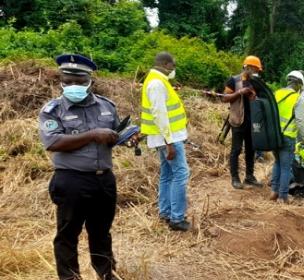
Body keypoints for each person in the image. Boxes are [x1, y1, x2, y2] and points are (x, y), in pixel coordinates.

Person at [39, 54, 136, 280]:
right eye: (68, 80)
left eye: (79, 81)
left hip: (104, 180)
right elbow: (52, 142)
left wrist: (127, 139)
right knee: (67, 234)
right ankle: (70, 277)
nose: (73, 85)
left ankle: (106, 273)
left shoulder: (106, 106)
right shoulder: (52, 110)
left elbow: (113, 135)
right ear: (61, 80)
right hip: (71, 180)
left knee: (101, 232)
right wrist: (93, 135)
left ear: (90, 80)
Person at [140, 52, 191, 231]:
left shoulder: (157, 81)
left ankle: (166, 212)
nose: (174, 69)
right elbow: (159, 114)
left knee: (168, 174)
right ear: (166, 64)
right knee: (181, 174)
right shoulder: (156, 83)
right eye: (173, 65)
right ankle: (176, 218)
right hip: (169, 139)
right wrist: (169, 142)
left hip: (164, 137)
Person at [220, 56, 263, 189]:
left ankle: (249, 177)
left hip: (252, 121)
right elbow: (224, 98)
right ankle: (235, 178)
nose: (257, 72)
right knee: (236, 150)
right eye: (255, 69)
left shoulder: (256, 82)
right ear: (248, 67)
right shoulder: (233, 80)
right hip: (238, 120)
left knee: (251, 149)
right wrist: (240, 92)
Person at [270, 71, 303, 203]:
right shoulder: (298, 98)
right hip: (288, 136)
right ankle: (283, 197)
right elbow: (300, 120)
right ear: (299, 84)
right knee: (285, 167)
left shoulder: (277, 93)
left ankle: (274, 191)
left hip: (274, 135)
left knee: (277, 162)